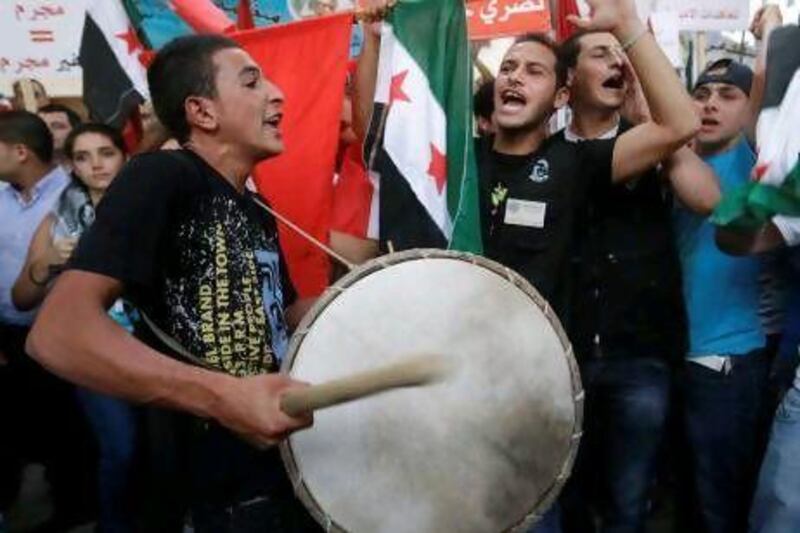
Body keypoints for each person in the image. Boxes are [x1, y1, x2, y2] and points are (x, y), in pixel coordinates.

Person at [26, 35, 315, 532]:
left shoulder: (255, 206)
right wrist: (223, 397)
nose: (277, 94)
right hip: (206, 498)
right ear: (201, 112)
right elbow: (57, 333)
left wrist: (370, 311)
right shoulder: (160, 176)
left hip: (275, 475)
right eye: (251, 81)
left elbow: (282, 312)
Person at [555, 29, 720, 533]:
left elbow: (707, 197)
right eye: (600, 54)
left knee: (631, 502)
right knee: (568, 497)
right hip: (564, 360)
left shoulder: (654, 141)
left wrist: (653, 125)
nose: (618, 64)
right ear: (568, 82)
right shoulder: (543, 156)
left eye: (622, 54)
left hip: (640, 355)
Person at [12, 123, 139, 533]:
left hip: (155, 347)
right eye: (83, 157)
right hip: (94, 352)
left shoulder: (151, 209)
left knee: (159, 455)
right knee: (120, 449)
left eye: (106, 152)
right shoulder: (58, 221)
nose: (96, 164)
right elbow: (22, 298)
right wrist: (45, 263)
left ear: (124, 156)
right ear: (72, 166)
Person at [673, 57, 773, 533]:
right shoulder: (675, 157)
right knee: (685, 504)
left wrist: (770, 33)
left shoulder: (755, 156)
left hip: (727, 364)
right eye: (701, 94)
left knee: (720, 507)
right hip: (672, 359)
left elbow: (766, 95)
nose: (710, 104)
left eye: (727, 96)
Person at [0, 110, 94, 531]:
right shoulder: (1, 195)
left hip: (56, 335)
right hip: (8, 333)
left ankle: (72, 511)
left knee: (66, 431)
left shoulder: (72, 198)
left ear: (20, 152)